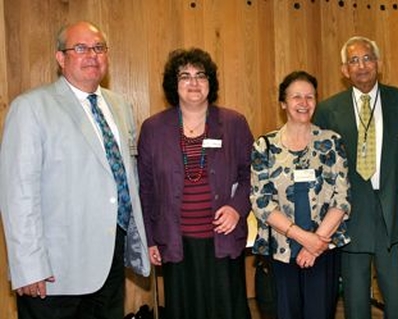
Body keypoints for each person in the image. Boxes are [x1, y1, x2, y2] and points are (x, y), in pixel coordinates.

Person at [0, 21, 150, 319]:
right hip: (55, 274)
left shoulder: (120, 106)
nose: (92, 55)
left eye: (99, 48)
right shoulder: (30, 108)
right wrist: (29, 267)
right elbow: (18, 194)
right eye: (80, 48)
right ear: (60, 58)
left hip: (110, 261)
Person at [137, 48, 253, 319]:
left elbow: (253, 175)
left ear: (210, 82)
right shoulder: (154, 129)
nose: (193, 83)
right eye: (185, 76)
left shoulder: (233, 123)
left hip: (222, 240)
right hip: (177, 241)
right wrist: (151, 240)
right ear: (173, 84)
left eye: (200, 75)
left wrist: (236, 208)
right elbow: (146, 189)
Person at [314, 36, 398, 319]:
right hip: (350, 212)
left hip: (392, 207)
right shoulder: (328, 110)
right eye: (354, 60)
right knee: (354, 294)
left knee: (396, 291)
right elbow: (323, 169)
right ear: (344, 70)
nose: (361, 65)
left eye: (367, 58)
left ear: (379, 64)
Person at [250, 70, 351, 319]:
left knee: (320, 313)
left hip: (322, 247)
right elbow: (261, 202)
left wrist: (316, 242)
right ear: (283, 103)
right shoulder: (265, 146)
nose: (304, 103)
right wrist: (303, 238)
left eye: (310, 97)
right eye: (296, 97)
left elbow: (342, 198)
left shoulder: (332, 142)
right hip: (283, 249)